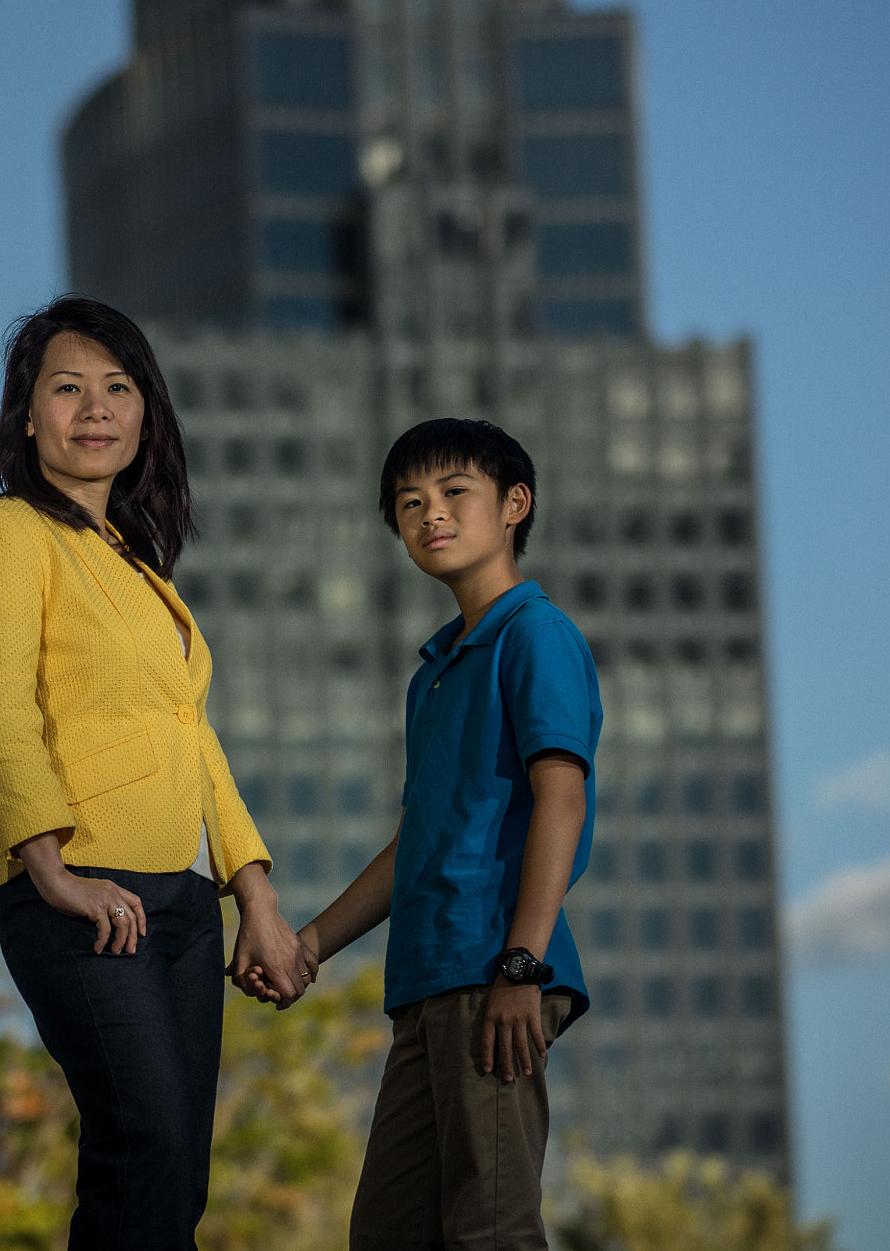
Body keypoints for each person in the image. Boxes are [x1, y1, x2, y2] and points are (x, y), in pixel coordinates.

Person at [0, 295, 315, 1251]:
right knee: (141, 1140)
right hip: (84, 892)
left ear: (146, 413)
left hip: (188, 905)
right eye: (67, 389)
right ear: (28, 415)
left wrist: (256, 896)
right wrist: (50, 865)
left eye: (118, 388)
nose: (95, 408)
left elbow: (196, 737)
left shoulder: (144, 569)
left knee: (177, 1173)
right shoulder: (2, 532)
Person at [275, 418, 602, 1251]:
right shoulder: (434, 674)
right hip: (424, 986)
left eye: (455, 492)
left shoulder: (534, 634)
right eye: (409, 502)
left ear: (514, 504)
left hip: (494, 968)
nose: (431, 514)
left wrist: (522, 965)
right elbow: (416, 843)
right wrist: (311, 941)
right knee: (387, 1230)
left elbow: (560, 801)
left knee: (489, 1227)